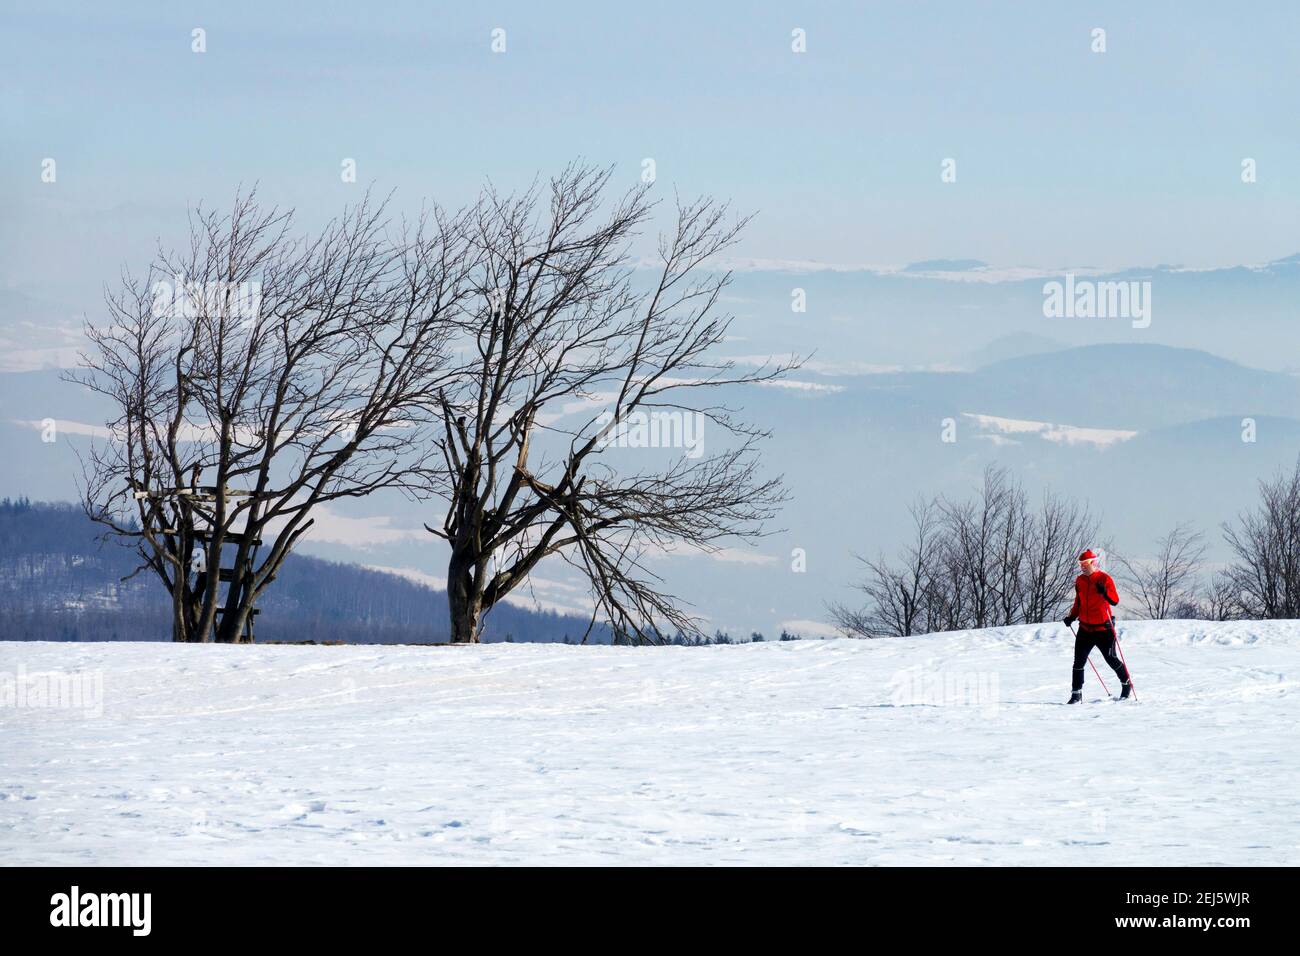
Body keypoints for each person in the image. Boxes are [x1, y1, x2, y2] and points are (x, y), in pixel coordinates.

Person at [1063, 548, 1131, 703]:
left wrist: (1104, 592)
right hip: (1085, 628)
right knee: (1078, 662)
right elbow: (1078, 602)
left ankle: (1126, 685)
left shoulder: (1104, 579)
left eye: (1085, 563)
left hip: (1103, 629)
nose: (1082, 566)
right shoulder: (1080, 580)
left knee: (1111, 659)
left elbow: (1114, 600)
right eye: (1080, 564)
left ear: (1093, 563)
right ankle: (1076, 694)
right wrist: (1072, 617)